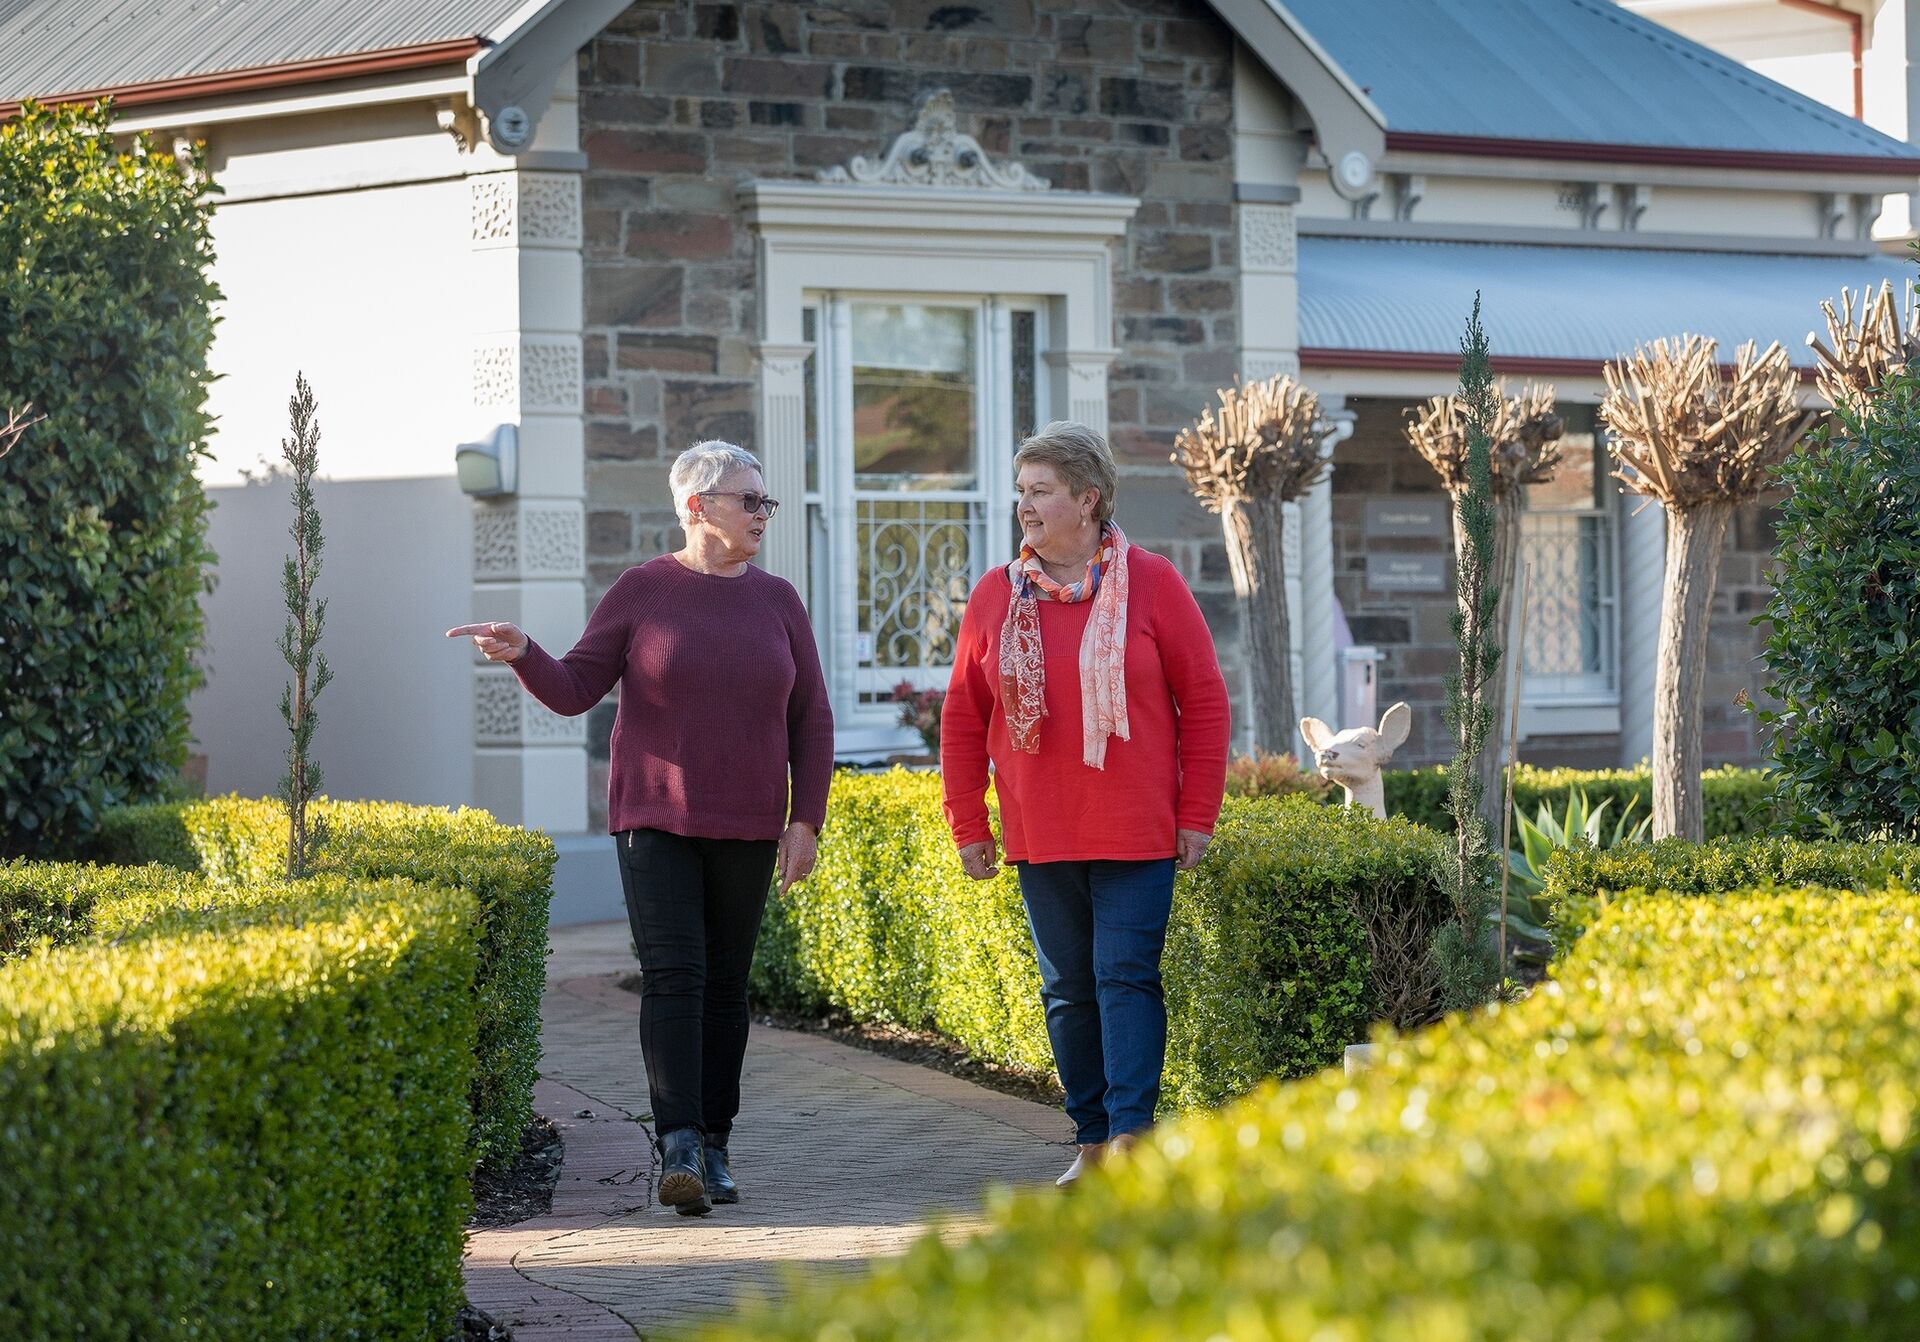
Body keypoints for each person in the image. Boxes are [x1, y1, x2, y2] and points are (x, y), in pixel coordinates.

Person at [448, 440, 832, 1217]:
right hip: (654, 818)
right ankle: (680, 1143)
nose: (763, 514)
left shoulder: (780, 600)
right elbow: (576, 688)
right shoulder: (642, 590)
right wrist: (525, 653)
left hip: (749, 823)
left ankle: (715, 1143)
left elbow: (812, 719)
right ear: (697, 506)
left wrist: (805, 821)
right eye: (748, 500)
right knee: (674, 977)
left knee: (726, 988)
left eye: (767, 502)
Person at [940, 420, 1230, 1188]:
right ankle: (1093, 1137)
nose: (1024, 507)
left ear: (1088, 498)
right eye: (1021, 492)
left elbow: (1202, 702)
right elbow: (964, 718)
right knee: (1067, 986)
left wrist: (1197, 812)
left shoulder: (1155, 584)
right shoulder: (996, 595)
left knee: (1125, 974)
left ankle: (1135, 1135)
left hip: (1137, 825)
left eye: (1040, 491)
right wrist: (968, 822)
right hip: (1041, 826)